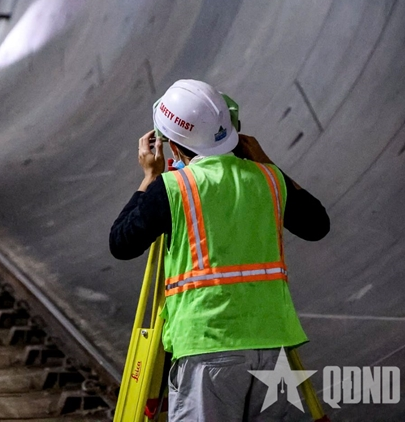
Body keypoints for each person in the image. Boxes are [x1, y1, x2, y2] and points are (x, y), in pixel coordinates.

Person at [109, 79, 330, 421]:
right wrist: (267, 162)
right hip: (272, 347)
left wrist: (150, 176)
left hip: (207, 348)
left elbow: (121, 243)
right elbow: (317, 224)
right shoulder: (269, 179)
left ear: (174, 146)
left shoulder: (174, 187)